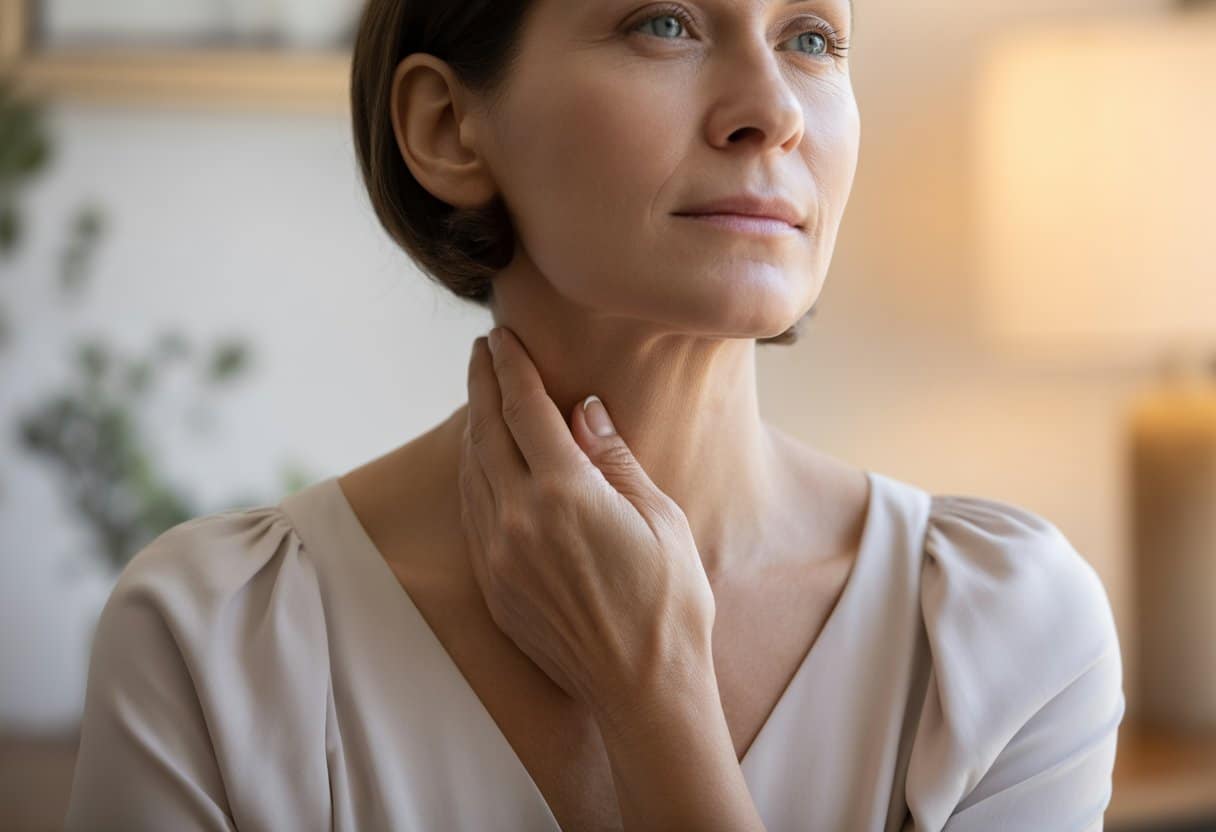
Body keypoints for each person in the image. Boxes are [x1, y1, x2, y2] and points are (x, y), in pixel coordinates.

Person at [64, 0, 1125, 829]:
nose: (775, 109)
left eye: (810, 37)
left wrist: (654, 699)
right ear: (446, 127)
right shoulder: (212, 645)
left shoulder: (1003, 639)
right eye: (664, 22)